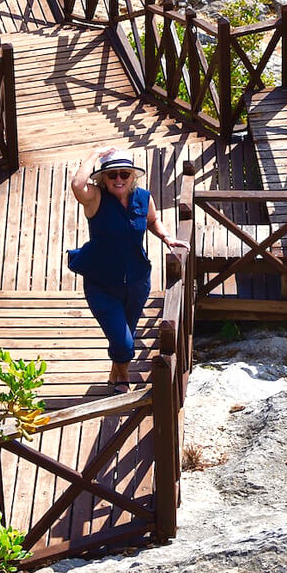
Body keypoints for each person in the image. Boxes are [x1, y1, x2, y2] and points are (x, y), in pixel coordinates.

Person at [69, 146, 189, 391]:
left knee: (126, 333)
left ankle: (116, 370)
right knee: (123, 342)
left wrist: (167, 237)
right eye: (112, 175)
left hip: (137, 282)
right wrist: (95, 154)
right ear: (103, 178)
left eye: (125, 174)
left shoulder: (143, 197)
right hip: (101, 284)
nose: (119, 179)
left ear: (133, 176)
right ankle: (123, 377)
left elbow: (153, 220)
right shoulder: (95, 198)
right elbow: (77, 185)